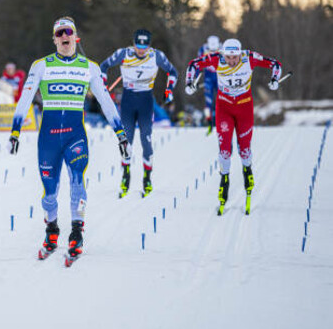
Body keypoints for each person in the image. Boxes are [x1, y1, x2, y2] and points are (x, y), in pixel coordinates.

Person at [8, 17, 129, 264]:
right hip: (48, 140)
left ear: (76, 37)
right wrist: (15, 130)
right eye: (59, 33)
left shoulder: (90, 67)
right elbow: (25, 97)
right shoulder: (41, 66)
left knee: (77, 182)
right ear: (54, 39)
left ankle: (77, 232)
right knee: (49, 193)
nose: (64, 36)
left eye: (68, 32)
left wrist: (121, 135)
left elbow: (106, 102)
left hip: (75, 136)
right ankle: (52, 230)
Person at [185, 38, 282, 215]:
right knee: (224, 149)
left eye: (234, 57)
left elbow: (275, 64)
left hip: (244, 109)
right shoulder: (216, 58)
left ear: (240, 53)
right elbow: (193, 65)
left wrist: (275, 79)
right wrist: (189, 83)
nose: (231, 61)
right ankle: (224, 181)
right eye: (228, 57)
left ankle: (247, 171)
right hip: (224, 109)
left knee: (244, 148)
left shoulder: (249, 58)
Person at [100, 28, 179, 198]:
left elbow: (173, 72)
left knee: (146, 139)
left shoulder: (156, 56)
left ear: (149, 45)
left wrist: (169, 90)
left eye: (144, 46)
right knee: (126, 140)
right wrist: (103, 84)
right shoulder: (123, 53)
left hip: (145, 101)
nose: (141, 50)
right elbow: (104, 66)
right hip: (128, 102)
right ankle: (126, 175)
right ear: (133, 43)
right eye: (138, 46)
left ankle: (147, 178)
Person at [196, 35, 221, 135]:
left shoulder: (223, 48)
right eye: (211, 50)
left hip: (220, 78)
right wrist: (196, 79)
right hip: (208, 78)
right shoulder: (203, 49)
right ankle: (209, 122)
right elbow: (198, 64)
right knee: (208, 102)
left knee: (222, 99)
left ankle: (222, 121)